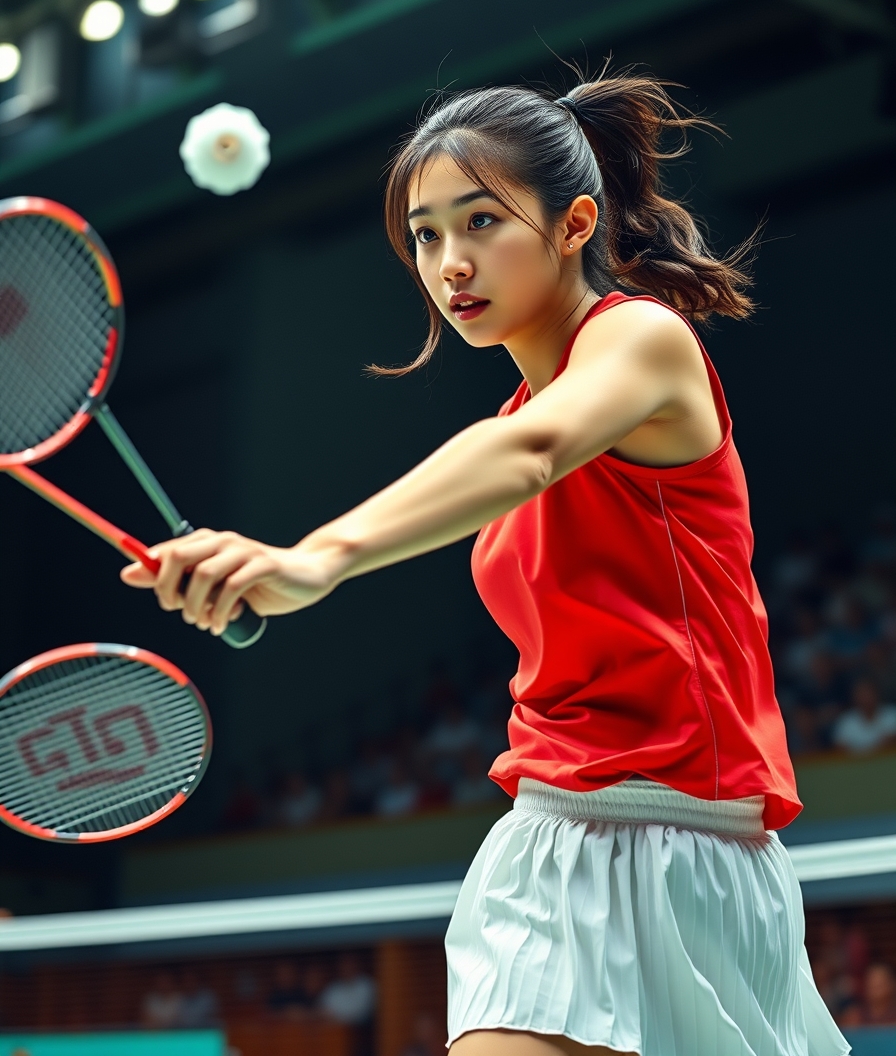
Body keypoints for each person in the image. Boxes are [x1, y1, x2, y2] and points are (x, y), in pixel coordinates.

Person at [121, 69, 850, 1056]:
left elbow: (529, 454)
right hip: (548, 831)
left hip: (689, 846)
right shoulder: (514, 414)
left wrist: (316, 556)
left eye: (478, 222)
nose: (448, 262)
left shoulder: (641, 341)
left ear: (572, 222)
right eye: (425, 235)